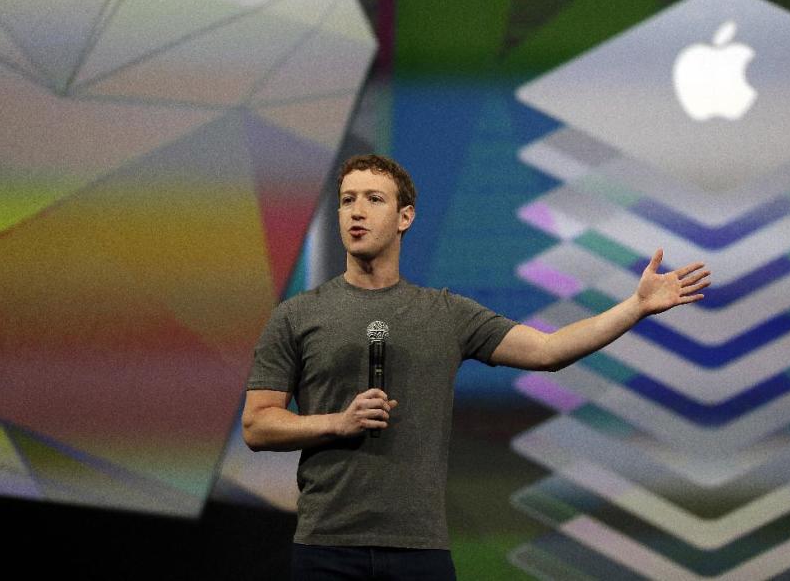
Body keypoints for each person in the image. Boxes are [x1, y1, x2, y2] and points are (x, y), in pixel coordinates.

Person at [242, 154, 710, 580]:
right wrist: (337, 423)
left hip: (418, 549)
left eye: (373, 199)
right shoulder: (297, 315)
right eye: (347, 200)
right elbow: (258, 426)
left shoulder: (445, 314)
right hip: (326, 549)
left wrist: (636, 305)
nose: (356, 211)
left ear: (405, 217)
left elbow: (548, 351)